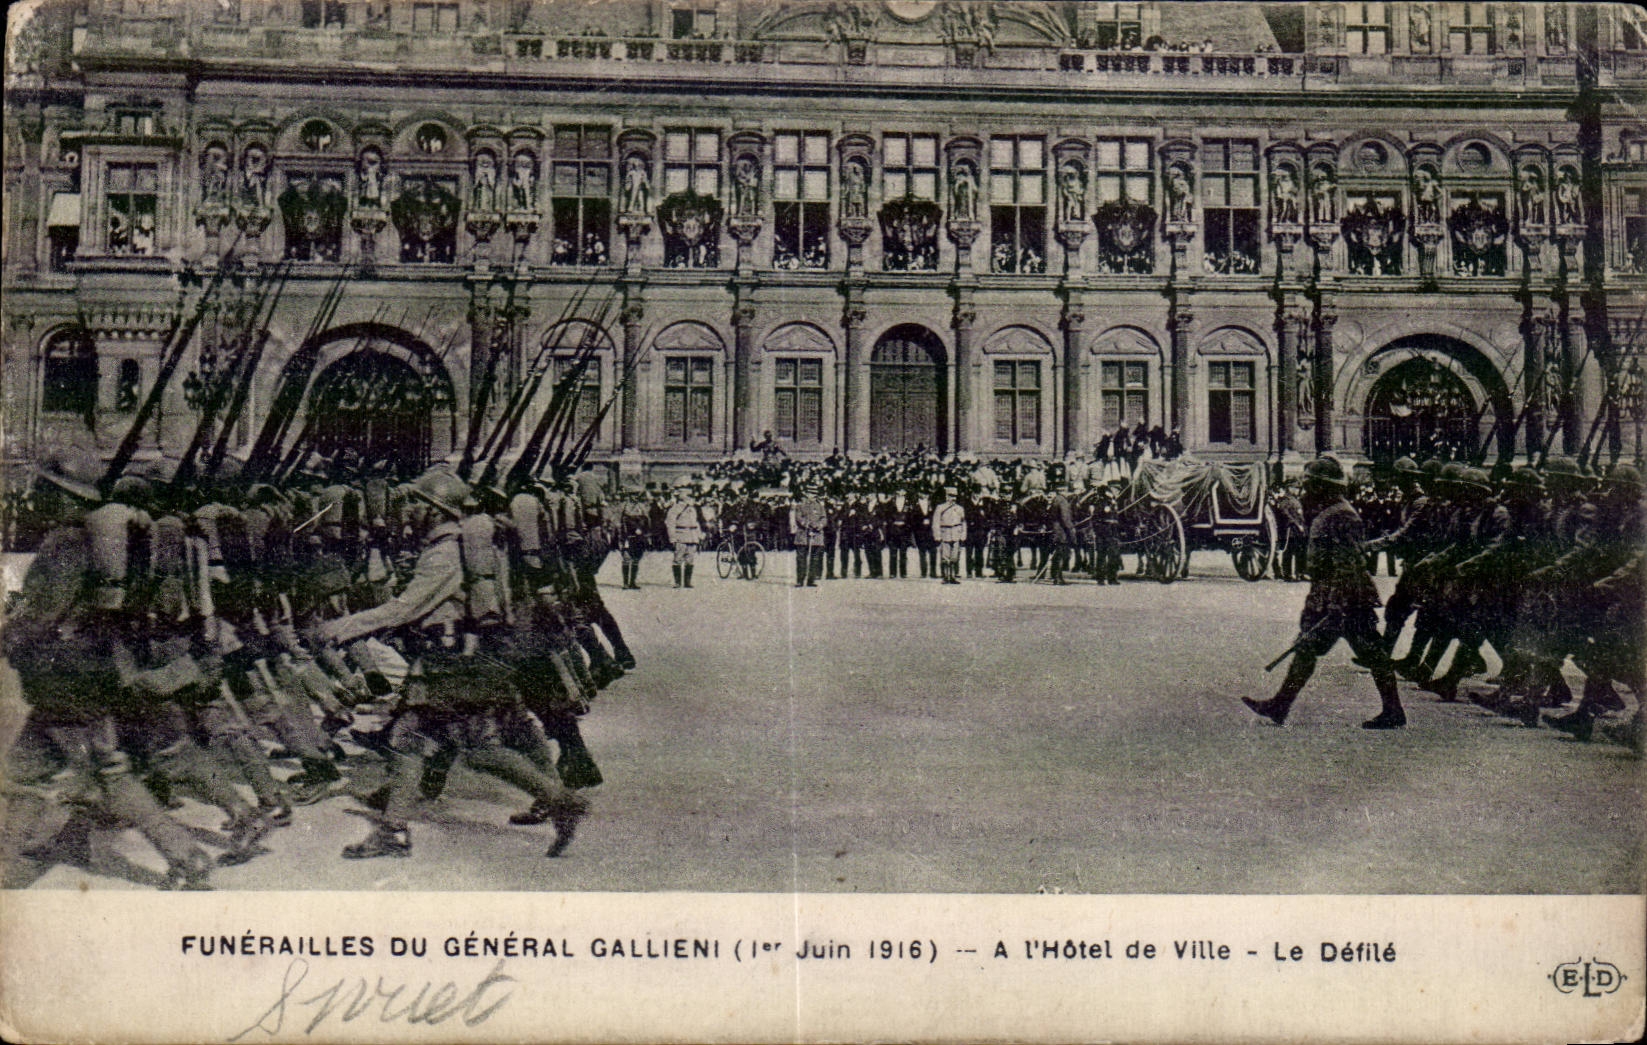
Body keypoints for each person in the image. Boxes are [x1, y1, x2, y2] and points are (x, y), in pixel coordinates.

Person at [1242, 456, 1407, 730]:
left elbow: (1349, 561)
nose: (1307, 490)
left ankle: (1393, 710)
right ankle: (1280, 705)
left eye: (1313, 485)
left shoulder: (1342, 515)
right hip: (1329, 594)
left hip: (1347, 598)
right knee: (1307, 647)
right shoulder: (1328, 512)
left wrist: (1337, 602)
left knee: (1372, 653)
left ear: (1325, 487)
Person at [664, 478, 703, 588]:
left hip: (692, 535)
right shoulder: (675, 508)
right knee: (678, 559)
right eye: (686, 494)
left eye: (689, 495)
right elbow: (670, 523)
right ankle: (677, 582)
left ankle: (687, 582)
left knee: (690, 559)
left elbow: (696, 522)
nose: (688, 497)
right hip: (680, 534)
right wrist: (672, 538)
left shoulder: (693, 508)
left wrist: (699, 535)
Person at [790, 482, 828, 587]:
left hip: (816, 536)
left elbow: (824, 518)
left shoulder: (820, 506)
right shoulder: (800, 506)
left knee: (814, 558)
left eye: (814, 494)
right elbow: (798, 517)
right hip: (803, 536)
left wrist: (819, 525)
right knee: (801, 558)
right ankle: (800, 580)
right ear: (806, 494)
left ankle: (811, 579)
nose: (812, 496)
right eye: (810, 494)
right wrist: (807, 524)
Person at [931, 484, 966, 584]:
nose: (953, 498)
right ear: (946, 496)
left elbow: (963, 522)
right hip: (945, 532)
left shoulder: (959, 508)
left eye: (954, 496)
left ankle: (953, 576)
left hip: (956, 532)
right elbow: (936, 522)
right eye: (950, 496)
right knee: (945, 556)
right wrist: (937, 535)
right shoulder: (940, 507)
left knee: (955, 556)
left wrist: (963, 534)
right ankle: (946, 576)